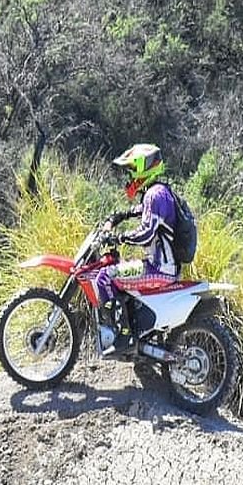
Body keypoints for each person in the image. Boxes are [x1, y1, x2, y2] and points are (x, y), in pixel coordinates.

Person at [96, 143, 180, 353]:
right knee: (118, 273)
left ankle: (124, 339)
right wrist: (117, 217)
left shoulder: (155, 195)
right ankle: (132, 329)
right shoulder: (158, 192)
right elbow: (138, 211)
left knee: (105, 277)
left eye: (132, 170)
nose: (130, 177)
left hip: (160, 269)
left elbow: (146, 233)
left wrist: (119, 238)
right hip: (161, 265)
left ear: (144, 169)